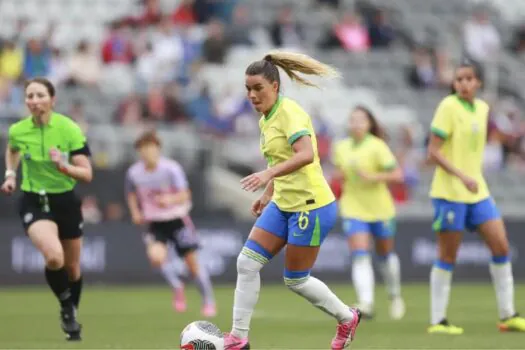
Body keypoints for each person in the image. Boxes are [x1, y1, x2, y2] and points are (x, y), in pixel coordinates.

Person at [223, 51, 362, 350]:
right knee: (246, 263)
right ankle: (238, 338)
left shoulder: (290, 113)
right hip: (283, 204)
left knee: (296, 280)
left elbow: (306, 154)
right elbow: (281, 158)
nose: (251, 94)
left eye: (257, 87)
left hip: (311, 206)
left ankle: (347, 317)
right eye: (247, 89)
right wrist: (268, 193)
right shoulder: (267, 119)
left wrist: (266, 174)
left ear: (274, 86)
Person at [427, 61, 525, 334]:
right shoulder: (448, 106)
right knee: (448, 255)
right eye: (459, 79)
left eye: (469, 79)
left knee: (501, 247)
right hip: (450, 193)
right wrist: (462, 176)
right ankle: (438, 321)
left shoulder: (482, 109)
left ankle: (507, 315)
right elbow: (433, 151)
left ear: (479, 82)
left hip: (477, 190)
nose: (463, 83)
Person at [1, 78, 92, 341]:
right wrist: (10, 175)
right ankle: (66, 308)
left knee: (73, 268)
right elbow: (12, 149)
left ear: (52, 100)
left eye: (40, 95)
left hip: (65, 201)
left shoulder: (69, 129)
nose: (34, 100)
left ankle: (71, 315)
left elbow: (86, 174)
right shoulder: (18, 130)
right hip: (34, 200)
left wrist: (64, 167)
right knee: (54, 257)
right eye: (29, 96)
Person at [125, 130, 216, 317]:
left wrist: (170, 200)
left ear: (158, 149)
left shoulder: (171, 168)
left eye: (150, 148)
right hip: (154, 222)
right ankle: (177, 286)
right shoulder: (134, 173)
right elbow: (131, 193)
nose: (146, 153)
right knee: (156, 257)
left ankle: (208, 300)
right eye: (142, 149)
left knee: (192, 265)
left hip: (177, 219)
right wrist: (135, 211)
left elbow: (185, 194)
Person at [331, 106, 405, 320]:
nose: (356, 123)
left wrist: (373, 177)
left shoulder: (377, 146)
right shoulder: (341, 147)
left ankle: (395, 295)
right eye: (352, 119)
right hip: (353, 207)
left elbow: (398, 174)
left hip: (380, 209)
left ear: (369, 124)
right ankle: (366, 303)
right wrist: (338, 176)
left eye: (361, 120)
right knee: (360, 255)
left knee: (385, 256)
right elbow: (339, 174)